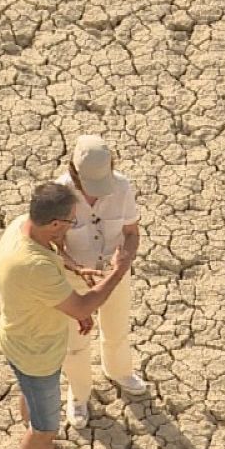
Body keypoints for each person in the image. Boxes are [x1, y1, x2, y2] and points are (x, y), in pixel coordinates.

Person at [0, 182, 136, 449]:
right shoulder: (34, 267)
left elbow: (57, 259)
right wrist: (118, 269)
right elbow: (86, 302)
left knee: (31, 397)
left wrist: (76, 270)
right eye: (72, 221)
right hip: (35, 351)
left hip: (23, 338)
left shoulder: (21, 226)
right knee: (44, 425)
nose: (74, 226)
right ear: (55, 223)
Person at [54, 134, 148, 426]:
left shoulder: (121, 186)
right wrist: (76, 269)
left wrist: (122, 264)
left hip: (114, 273)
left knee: (117, 328)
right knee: (75, 341)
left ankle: (119, 371)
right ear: (74, 172)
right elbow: (53, 243)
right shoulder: (60, 194)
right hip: (74, 278)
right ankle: (79, 394)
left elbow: (132, 233)